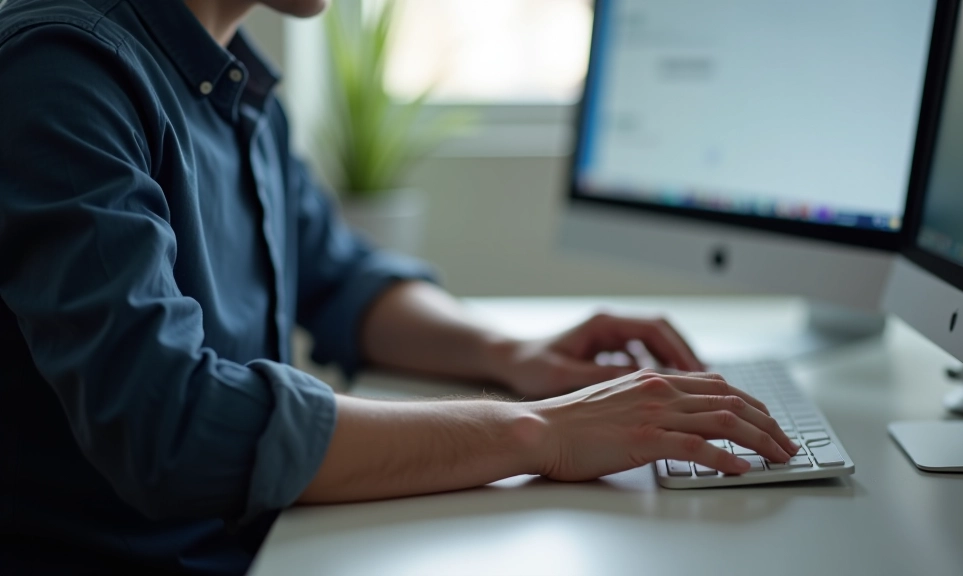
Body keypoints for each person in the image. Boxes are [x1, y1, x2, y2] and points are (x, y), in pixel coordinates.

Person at [0, 0, 799, 573]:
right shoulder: (62, 77)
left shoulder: (233, 85)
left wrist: (516, 356)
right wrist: (536, 433)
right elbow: (171, 426)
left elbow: (342, 275)